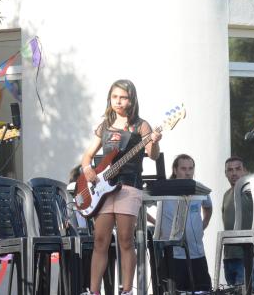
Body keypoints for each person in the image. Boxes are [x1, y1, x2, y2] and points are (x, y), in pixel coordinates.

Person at [79, 79, 161, 295]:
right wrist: (88, 168)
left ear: (131, 99)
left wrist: (155, 140)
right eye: (115, 96)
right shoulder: (104, 126)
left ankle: (126, 290)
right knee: (100, 239)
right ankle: (94, 291)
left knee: (125, 238)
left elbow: (153, 155)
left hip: (128, 186)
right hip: (103, 188)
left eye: (123, 97)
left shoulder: (141, 125)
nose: (118, 101)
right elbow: (87, 155)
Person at [157, 154, 213, 291]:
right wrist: (156, 225)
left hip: (198, 254)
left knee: (203, 291)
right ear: (175, 170)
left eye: (190, 168)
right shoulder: (164, 188)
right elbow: (141, 204)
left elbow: (208, 207)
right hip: (173, 256)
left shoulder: (199, 188)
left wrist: (203, 225)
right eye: (183, 168)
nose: (188, 172)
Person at [220, 155, 253, 286]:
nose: (234, 173)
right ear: (225, 173)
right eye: (230, 170)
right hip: (228, 256)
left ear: (245, 170)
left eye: (238, 169)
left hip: (245, 256)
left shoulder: (250, 191)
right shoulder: (226, 194)